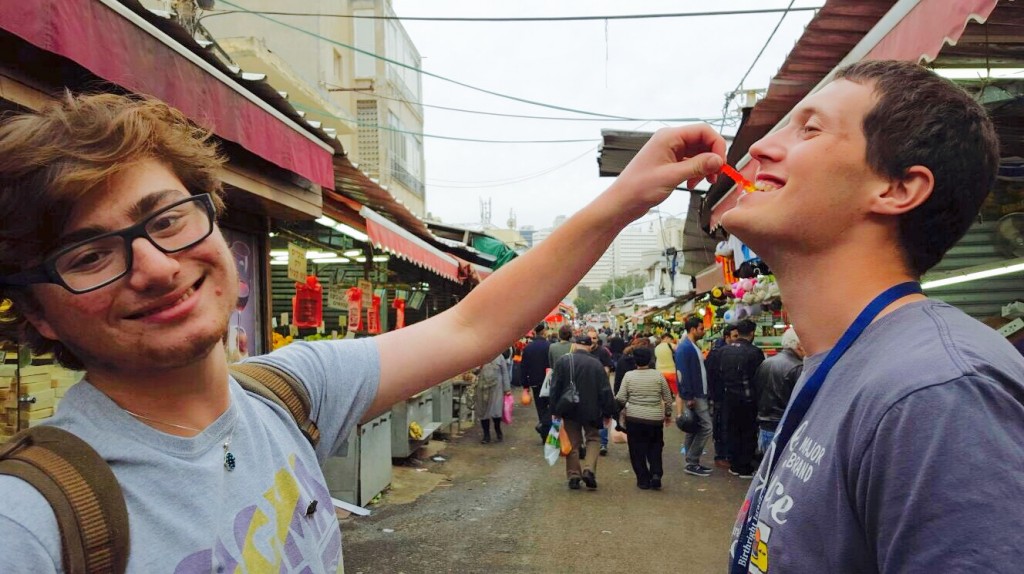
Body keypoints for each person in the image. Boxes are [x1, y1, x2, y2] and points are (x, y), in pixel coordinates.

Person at [0, 92, 726, 570]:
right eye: (89, 257)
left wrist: (624, 198)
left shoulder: (286, 392)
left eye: (167, 219)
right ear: (36, 313)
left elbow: (472, 323)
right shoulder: (33, 521)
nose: (157, 268)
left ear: (213, 219)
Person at [723, 60, 1024, 573]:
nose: (760, 148)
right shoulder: (840, 362)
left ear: (897, 189)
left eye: (810, 129)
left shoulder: (937, 391)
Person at [548, 335, 618, 490]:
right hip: (592, 408)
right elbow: (605, 390)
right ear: (590, 346)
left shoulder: (563, 361)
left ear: (574, 345)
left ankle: (574, 476)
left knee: (573, 442)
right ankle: (589, 469)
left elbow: (555, 388)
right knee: (593, 438)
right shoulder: (596, 364)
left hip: (568, 408)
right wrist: (609, 412)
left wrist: (554, 410)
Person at [615, 346, 673, 490]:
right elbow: (667, 397)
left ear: (635, 361)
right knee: (655, 447)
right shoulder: (658, 376)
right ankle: (656, 473)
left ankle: (643, 480)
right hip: (655, 419)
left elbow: (621, 398)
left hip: (634, 418)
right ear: (650, 360)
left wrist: (618, 412)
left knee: (636, 450)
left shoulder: (629, 376)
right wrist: (668, 414)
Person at [716, 319, 764, 479]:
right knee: (748, 432)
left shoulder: (724, 350)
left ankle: (734, 464)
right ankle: (744, 467)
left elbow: (717, 374)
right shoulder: (754, 352)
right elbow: (759, 377)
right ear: (752, 333)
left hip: (728, 398)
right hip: (747, 399)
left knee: (732, 431)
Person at [753, 327, 804, 456]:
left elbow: (757, 390)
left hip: (764, 425)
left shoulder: (766, 362)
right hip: (783, 426)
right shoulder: (797, 367)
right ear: (799, 345)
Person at [673, 316, 714, 477]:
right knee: (706, 427)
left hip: (698, 393)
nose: (703, 331)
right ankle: (692, 460)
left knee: (694, 427)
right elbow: (682, 374)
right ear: (692, 329)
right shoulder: (685, 348)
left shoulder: (691, 346)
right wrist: (688, 396)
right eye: (701, 329)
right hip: (695, 395)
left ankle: (691, 461)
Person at [706, 324, 737, 468]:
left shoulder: (729, 351)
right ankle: (721, 455)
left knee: (728, 424)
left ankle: (727, 453)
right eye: (735, 336)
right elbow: (711, 376)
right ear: (727, 337)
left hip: (729, 395)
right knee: (721, 424)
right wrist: (715, 396)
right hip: (721, 396)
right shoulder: (717, 353)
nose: (737, 339)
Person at [520, 323, 551, 442]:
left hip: (534, 382)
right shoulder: (549, 346)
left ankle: (544, 435)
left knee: (541, 408)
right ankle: (546, 430)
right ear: (544, 332)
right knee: (550, 407)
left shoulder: (528, 348)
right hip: (548, 381)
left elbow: (524, 367)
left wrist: (525, 386)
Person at [473, 352, 512, 443]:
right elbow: (473, 371)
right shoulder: (479, 356)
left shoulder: (500, 357)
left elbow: (505, 372)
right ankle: (486, 435)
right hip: (482, 387)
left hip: (497, 388)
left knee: (496, 411)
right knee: (483, 412)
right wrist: (477, 368)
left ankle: (498, 429)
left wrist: (507, 389)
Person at [587, 327, 614, 455]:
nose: (592, 340)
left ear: (597, 339)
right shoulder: (583, 351)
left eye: (594, 338)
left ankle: (603, 443)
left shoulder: (602, 351)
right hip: (586, 389)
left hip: (600, 389)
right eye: (590, 338)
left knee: (602, 415)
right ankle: (590, 441)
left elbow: (608, 368)